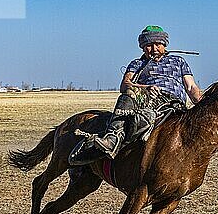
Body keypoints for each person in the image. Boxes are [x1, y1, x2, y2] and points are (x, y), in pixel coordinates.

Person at [69, 25, 202, 165]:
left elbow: (191, 86)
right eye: (149, 45)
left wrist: (201, 101)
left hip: (174, 103)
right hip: (147, 99)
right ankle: (112, 138)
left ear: (164, 45)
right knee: (129, 92)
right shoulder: (137, 64)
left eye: (158, 44)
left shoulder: (178, 61)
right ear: (142, 47)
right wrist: (145, 88)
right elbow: (125, 85)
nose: (154, 49)